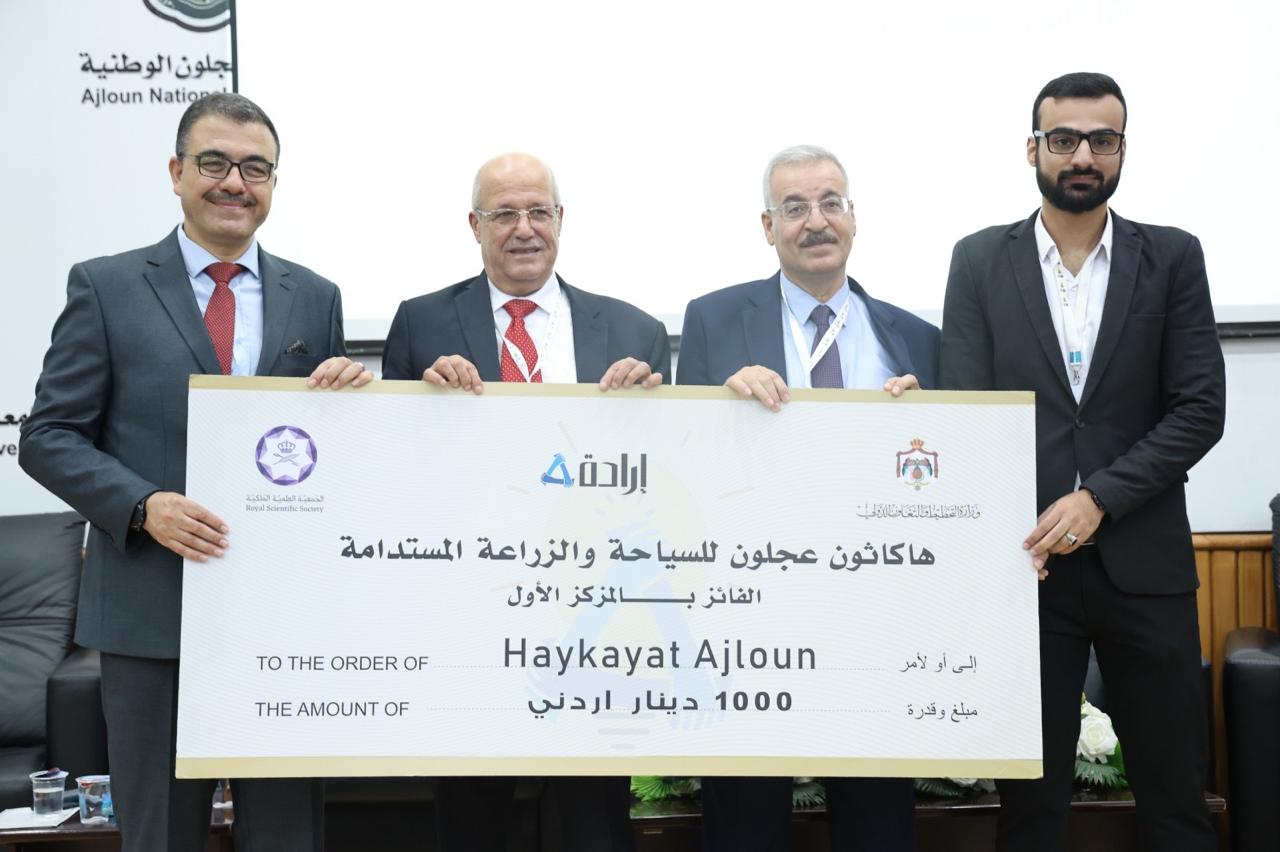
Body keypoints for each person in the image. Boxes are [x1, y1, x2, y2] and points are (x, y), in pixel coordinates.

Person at [19, 92, 370, 852]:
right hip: (150, 614)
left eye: (255, 168)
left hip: (281, 619)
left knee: (287, 836)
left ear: (273, 184)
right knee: (160, 837)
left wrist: (353, 404)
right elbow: (47, 436)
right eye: (214, 163)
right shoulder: (106, 286)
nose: (234, 183)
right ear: (177, 173)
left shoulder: (315, 297)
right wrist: (142, 505)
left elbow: (320, 452)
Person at [939, 72, 1224, 852]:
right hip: (1025, 573)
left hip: (1145, 569)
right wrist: (999, 529)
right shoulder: (978, 261)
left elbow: (1200, 409)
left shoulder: (1172, 257)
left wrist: (1099, 497)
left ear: (1123, 149)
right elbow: (964, 413)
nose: (1083, 156)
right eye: (1064, 139)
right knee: (1031, 812)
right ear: (1032, 148)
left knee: (1176, 801)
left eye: (1103, 139)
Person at [381, 152, 670, 852]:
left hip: (594, 617)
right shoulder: (420, 324)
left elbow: (663, 478)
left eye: (539, 211)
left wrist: (648, 416)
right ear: (474, 225)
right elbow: (393, 471)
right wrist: (422, 405)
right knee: (472, 821)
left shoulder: (634, 331)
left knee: (595, 824)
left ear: (561, 220)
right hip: (470, 615)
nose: (524, 228)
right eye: (504, 213)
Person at [677, 144, 937, 852]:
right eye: (794, 208)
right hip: (750, 615)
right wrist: (718, 406)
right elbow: (685, 466)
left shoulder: (918, 340)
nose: (816, 221)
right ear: (768, 227)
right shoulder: (713, 321)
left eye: (830, 203)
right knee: (745, 826)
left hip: (875, 620)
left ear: (854, 217)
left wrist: (933, 422)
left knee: (878, 826)